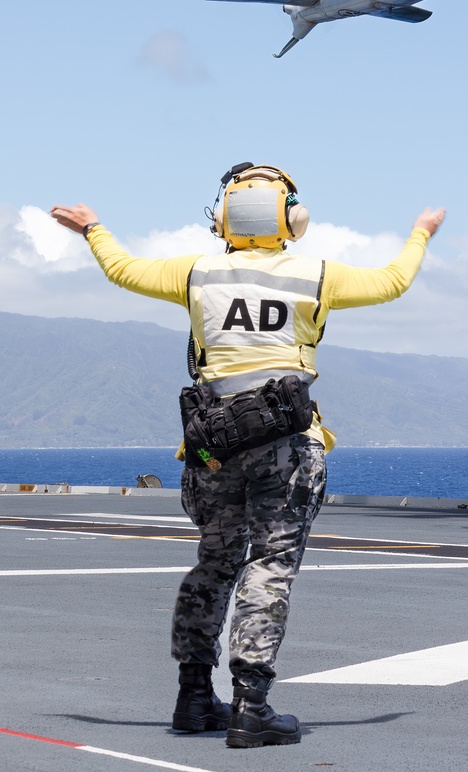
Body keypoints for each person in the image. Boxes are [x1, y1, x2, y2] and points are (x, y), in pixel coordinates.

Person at [51, 164, 445, 751]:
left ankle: (192, 697)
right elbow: (392, 282)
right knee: (270, 565)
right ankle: (250, 707)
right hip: (285, 443)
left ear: (223, 217)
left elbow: (123, 270)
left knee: (214, 563)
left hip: (212, 443)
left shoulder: (195, 272)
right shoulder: (317, 274)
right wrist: (421, 233)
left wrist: (93, 229)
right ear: (291, 219)